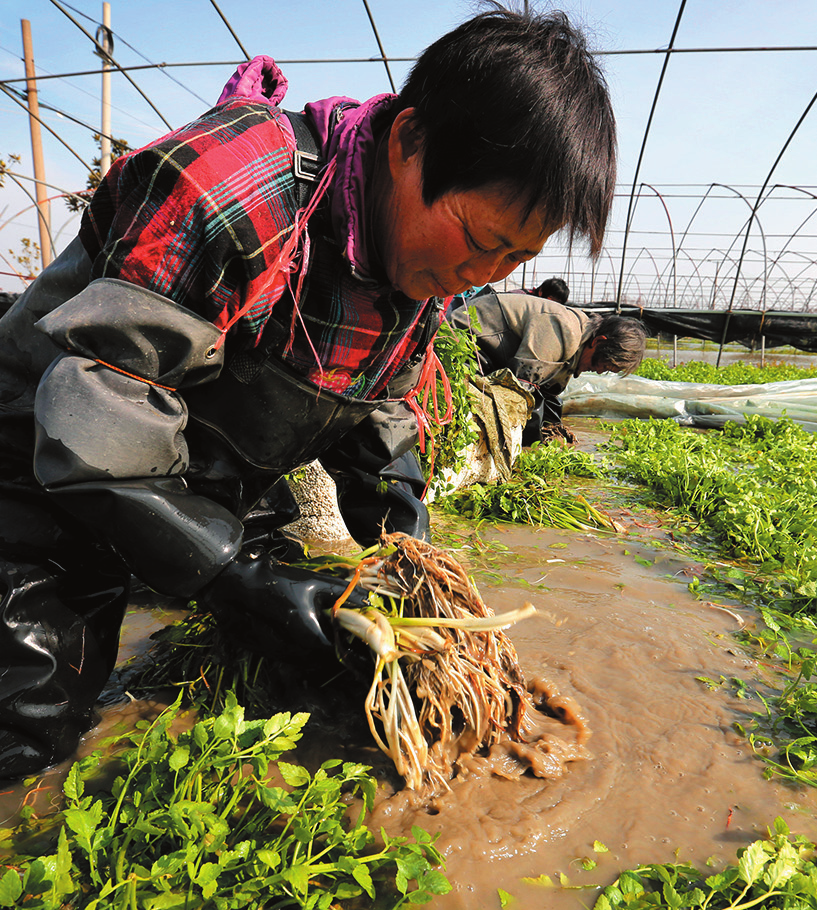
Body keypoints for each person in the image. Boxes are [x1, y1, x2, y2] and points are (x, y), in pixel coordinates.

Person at [0, 7, 618, 780]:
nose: (485, 275)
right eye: (482, 240)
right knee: (31, 729)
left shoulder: (414, 265)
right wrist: (234, 576)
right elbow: (100, 427)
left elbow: (382, 419)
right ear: (407, 144)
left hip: (198, 478)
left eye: (514, 258)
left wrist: (404, 542)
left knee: (307, 672)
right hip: (39, 459)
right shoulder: (226, 190)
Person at [449, 289, 646, 442]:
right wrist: (533, 440)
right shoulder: (564, 328)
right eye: (603, 365)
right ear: (598, 342)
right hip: (463, 340)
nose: (598, 371)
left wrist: (552, 430)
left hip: (489, 352)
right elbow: (518, 386)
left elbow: (548, 392)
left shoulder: (578, 342)